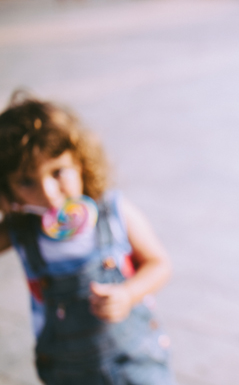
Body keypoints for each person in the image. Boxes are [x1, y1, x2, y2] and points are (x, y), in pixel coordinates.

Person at [0, 92, 175, 384]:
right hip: (67, 371)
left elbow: (160, 264)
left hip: (134, 359)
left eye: (57, 172)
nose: (48, 192)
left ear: (80, 162)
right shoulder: (21, 229)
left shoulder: (114, 212)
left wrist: (128, 294)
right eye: (26, 181)